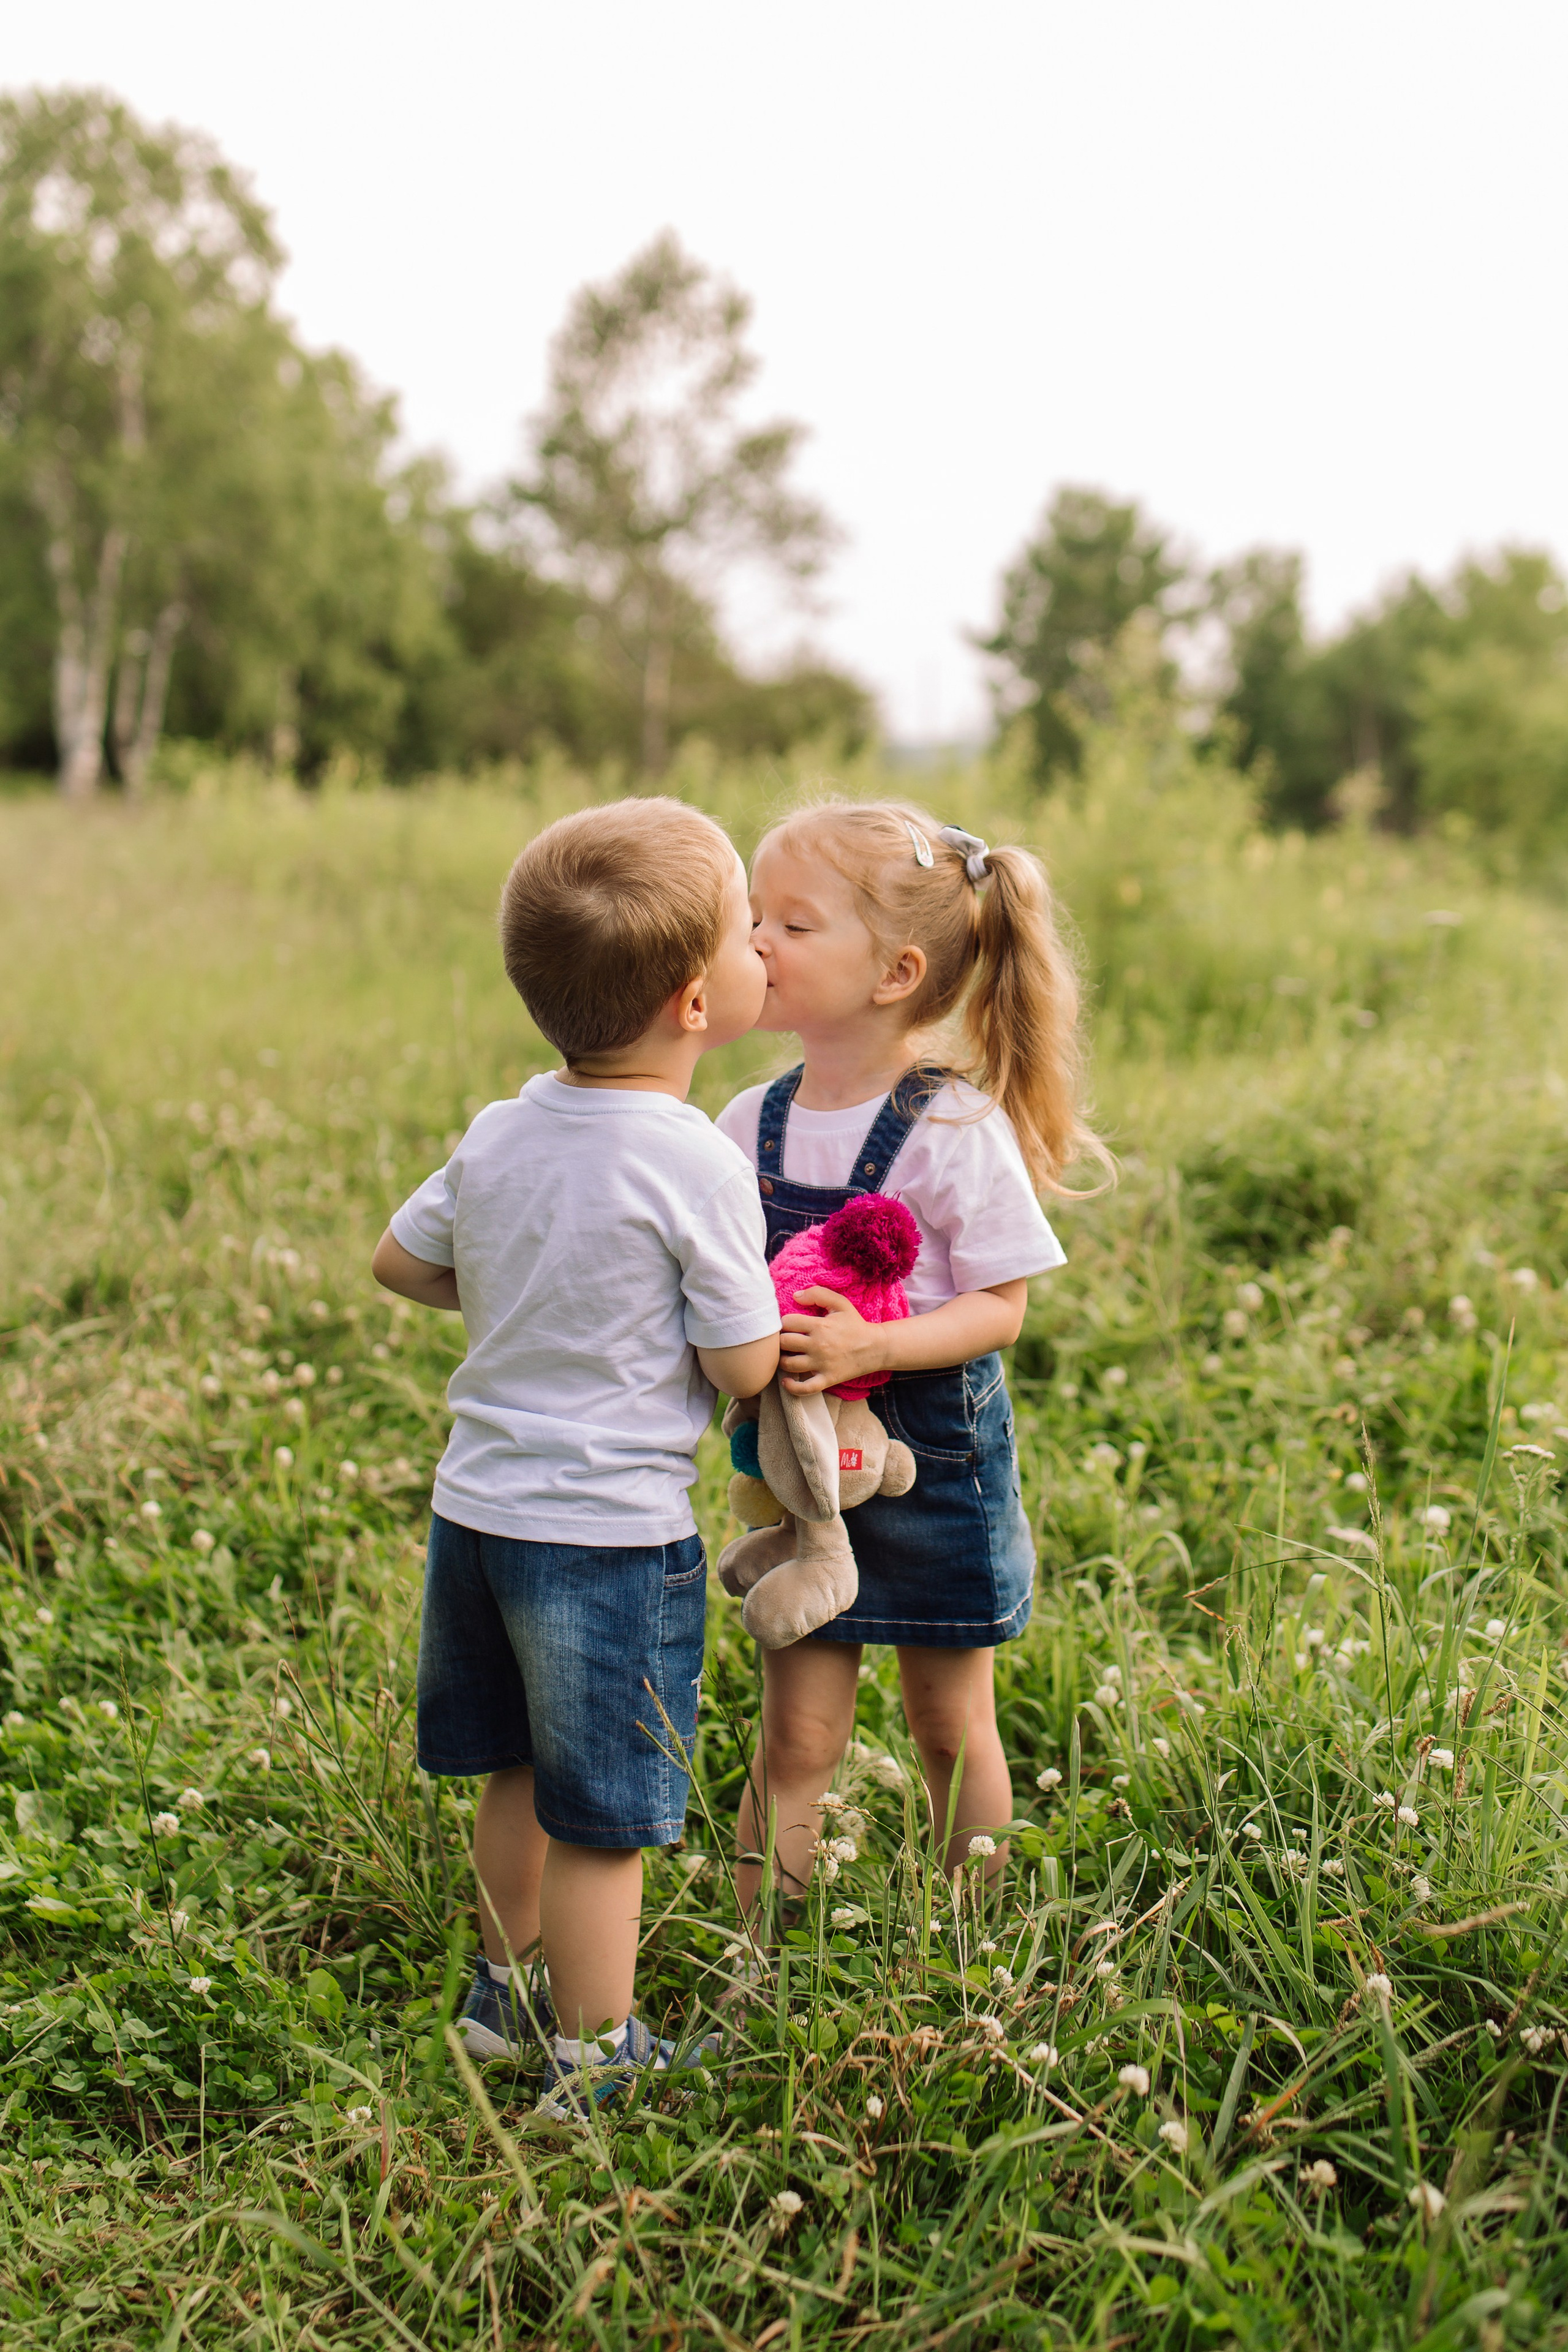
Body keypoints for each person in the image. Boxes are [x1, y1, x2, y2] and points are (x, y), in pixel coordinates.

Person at [372, 797, 779, 2112]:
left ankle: (501, 1999)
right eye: (746, 934)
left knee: (517, 1770)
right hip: (604, 1538)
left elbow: (399, 1261)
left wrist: (524, 1297)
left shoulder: (502, 1130)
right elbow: (740, 1366)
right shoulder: (693, 1162)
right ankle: (598, 2057)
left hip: (477, 1516)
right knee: (604, 1815)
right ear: (694, 1000)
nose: (762, 948)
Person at [714, 799, 1107, 1920]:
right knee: (796, 1733)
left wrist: (872, 1344)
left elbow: (1001, 1309)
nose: (755, 944)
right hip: (806, 1470)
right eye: (753, 916)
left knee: (948, 1723)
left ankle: (970, 1944)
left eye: (791, 924)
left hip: (935, 1466)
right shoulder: (751, 1121)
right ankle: (759, 1958)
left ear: (895, 971)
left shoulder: (952, 1127)